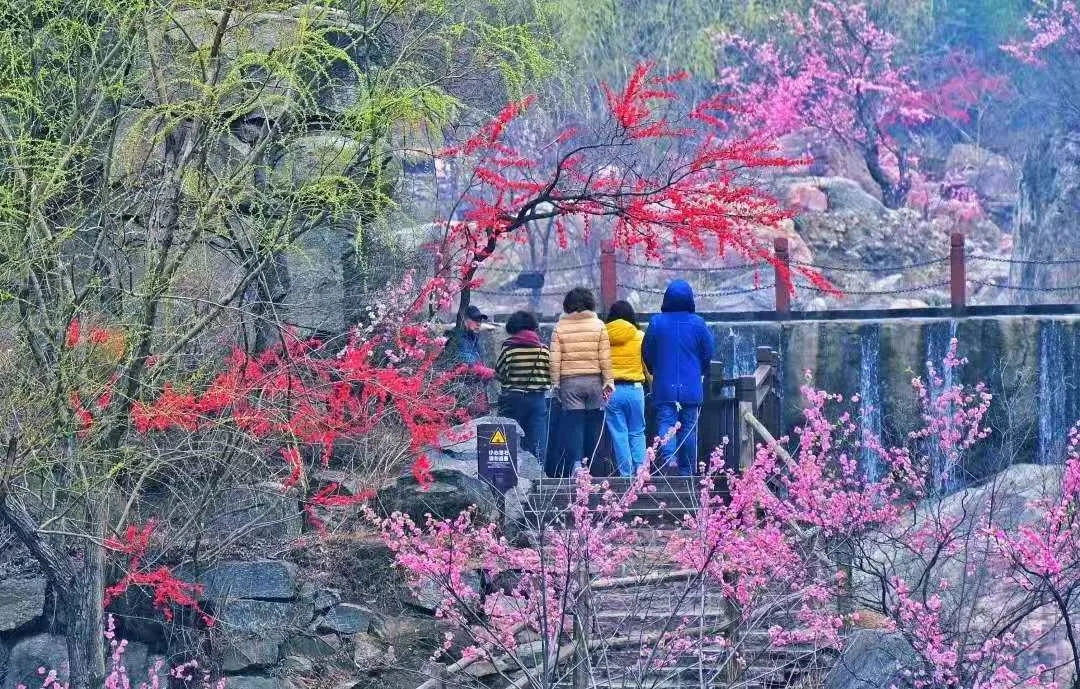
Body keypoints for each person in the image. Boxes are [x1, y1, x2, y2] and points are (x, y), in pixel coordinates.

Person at [642, 280, 714, 476]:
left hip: (664, 383)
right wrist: (700, 369)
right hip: (691, 385)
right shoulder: (698, 323)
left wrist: (654, 369)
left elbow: (647, 351)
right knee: (689, 428)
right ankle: (687, 470)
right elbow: (708, 351)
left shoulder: (657, 322)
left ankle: (669, 461)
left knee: (666, 422)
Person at [548, 287, 613, 477]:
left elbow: (554, 359)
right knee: (594, 424)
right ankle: (592, 465)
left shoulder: (560, 327)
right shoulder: (599, 325)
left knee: (574, 424)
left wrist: (556, 383)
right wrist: (608, 381)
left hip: (570, 382)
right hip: (594, 381)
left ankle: (576, 465)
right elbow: (605, 358)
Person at [495, 311, 551, 464]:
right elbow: (549, 376)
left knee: (509, 438)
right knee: (538, 439)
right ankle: (538, 474)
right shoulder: (543, 350)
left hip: (512, 400)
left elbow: (499, 373)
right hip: (537, 401)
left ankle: (509, 472)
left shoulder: (509, 350)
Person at [605, 301, 648, 476]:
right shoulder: (640, 336)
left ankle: (626, 475)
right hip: (635, 389)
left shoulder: (603, 336)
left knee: (619, 434)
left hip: (612, 391)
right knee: (637, 431)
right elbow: (647, 365)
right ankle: (641, 471)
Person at [441, 304, 492, 416]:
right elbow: (467, 367)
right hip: (461, 393)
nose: (478, 323)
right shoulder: (458, 339)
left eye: (480, 320)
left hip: (474, 391)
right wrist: (491, 373)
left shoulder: (474, 338)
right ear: (464, 320)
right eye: (474, 320)